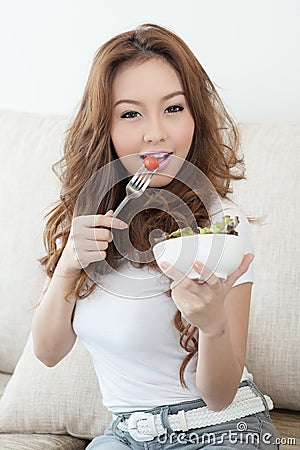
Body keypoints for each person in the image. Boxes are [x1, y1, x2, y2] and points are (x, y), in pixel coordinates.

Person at [32, 23, 280, 449]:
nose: (156, 133)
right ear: (104, 128)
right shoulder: (88, 219)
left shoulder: (220, 226)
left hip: (223, 430)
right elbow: (49, 352)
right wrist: (68, 267)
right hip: (127, 435)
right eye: (130, 113)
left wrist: (213, 326)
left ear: (194, 116)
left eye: (173, 108)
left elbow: (220, 396)